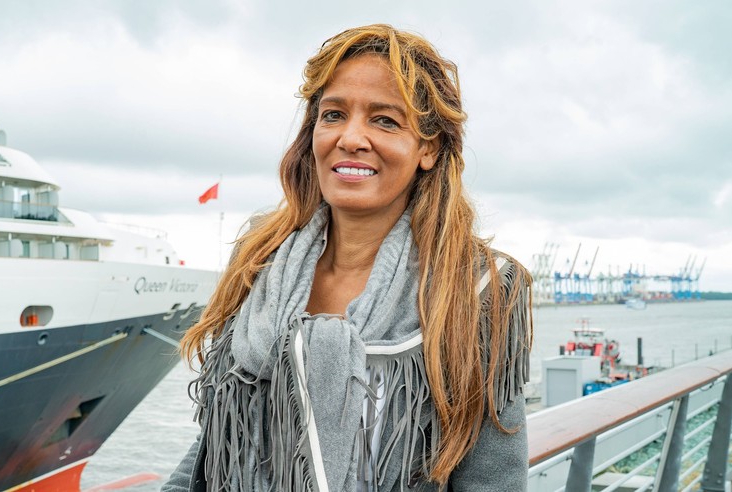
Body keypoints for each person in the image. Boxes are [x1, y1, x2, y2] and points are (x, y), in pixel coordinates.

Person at [163, 24, 532, 491]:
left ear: (428, 148)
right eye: (334, 115)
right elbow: (219, 440)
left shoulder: (479, 290)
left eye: (384, 120)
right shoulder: (260, 263)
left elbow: (493, 479)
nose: (351, 138)